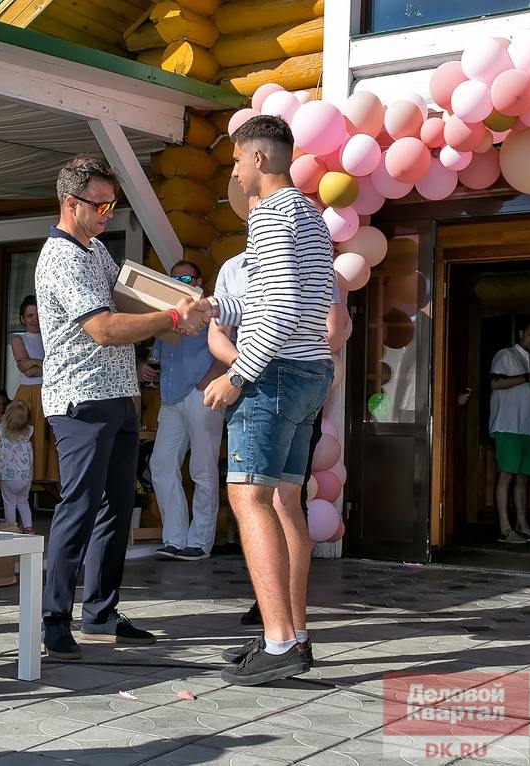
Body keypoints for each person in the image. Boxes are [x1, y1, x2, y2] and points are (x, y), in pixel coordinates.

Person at [35, 154, 208, 660]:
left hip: (117, 398)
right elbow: (104, 328)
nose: (109, 211)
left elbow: (124, 301)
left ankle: (100, 614)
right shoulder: (62, 256)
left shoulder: (95, 250)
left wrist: (177, 301)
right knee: (80, 508)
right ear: (71, 203)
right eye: (102, 203)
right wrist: (174, 317)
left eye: (114, 202)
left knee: (116, 510)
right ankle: (52, 622)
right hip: (80, 401)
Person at [202, 116, 334, 685]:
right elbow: (283, 303)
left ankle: (279, 645)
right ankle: (292, 632)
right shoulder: (310, 215)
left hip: (274, 375)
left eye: (235, 160)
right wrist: (211, 311)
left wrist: (238, 375)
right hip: (307, 372)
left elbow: (277, 311)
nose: (233, 171)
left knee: (248, 499)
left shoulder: (274, 215)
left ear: (257, 158)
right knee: (284, 501)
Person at [211, 249, 347, 627]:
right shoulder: (233, 266)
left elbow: (333, 330)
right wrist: (243, 364)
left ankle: (281, 637)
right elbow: (216, 331)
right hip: (277, 380)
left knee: (260, 498)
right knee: (279, 500)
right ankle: (286, 626)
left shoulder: (311, 261)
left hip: (276, 384)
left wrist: (245, 373)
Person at [137, 260, 225, 563]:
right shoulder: (168, 316)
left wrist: (209, 378)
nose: (180, 281)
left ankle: (199, 542)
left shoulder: (212, 310)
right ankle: (174, 539)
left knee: (202, 469)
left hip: (202, 396)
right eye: (174, 278)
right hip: (171, 398)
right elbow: (159, 358)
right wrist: (147, 369)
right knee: (161, 464)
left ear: (199, 281)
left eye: (186, 277)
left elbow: (228, 346)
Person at [488, 318, 530, 544]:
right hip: (507, 424)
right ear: (520, 333)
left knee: (523, 478)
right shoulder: (506, 355)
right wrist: (528, 378)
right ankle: (505, 528)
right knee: (506, 474)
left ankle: (522, 525)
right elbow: (495, 383)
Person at [10, 295, 60, 485]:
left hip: (49, 393)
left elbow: (37, 366)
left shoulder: (52, 338)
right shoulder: (18, 339)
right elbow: (27, 371)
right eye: (30, 315)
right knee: (28, 441)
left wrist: (34, 363)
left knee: (49, 444)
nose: (35, 319)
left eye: (38, 314)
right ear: (23, 318)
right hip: (28, 395)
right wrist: (48, 365)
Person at [0, 400, 35, 533]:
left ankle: (11, 527)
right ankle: (28, 527)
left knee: (9, 503)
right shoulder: (28, 432)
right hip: (25, 476)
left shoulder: (0, 430)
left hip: (8, 476)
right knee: (23, 501)